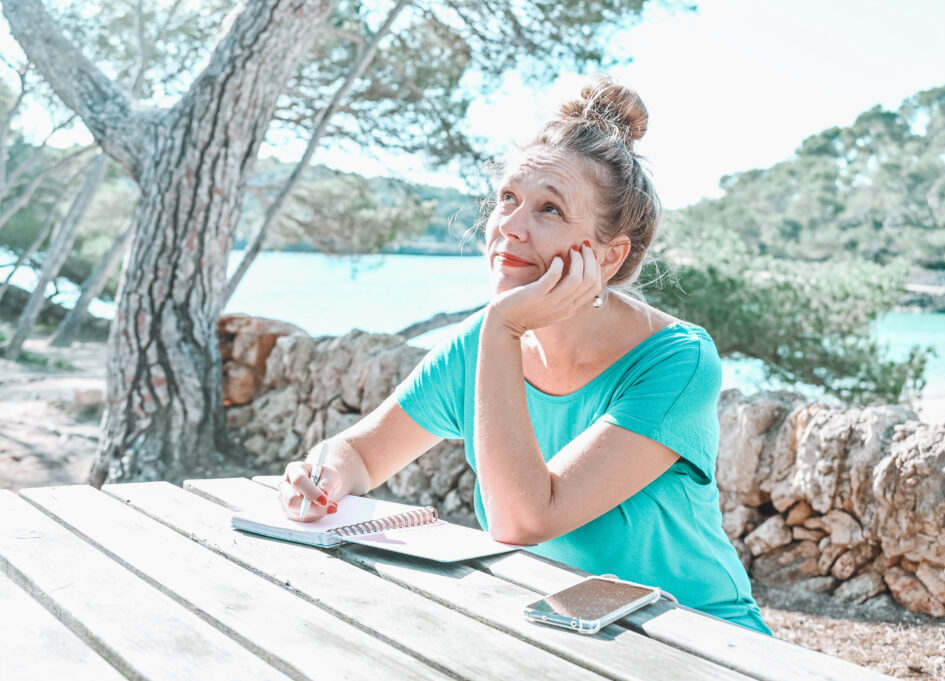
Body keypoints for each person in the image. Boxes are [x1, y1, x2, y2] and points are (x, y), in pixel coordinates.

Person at [278, 77, 771, 635]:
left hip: (702, 639)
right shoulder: (484, 341)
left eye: (550, 210)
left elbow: (526, 518)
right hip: (560, 629)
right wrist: (320, 476)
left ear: (609, 257)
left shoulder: (675, 362)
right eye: (508, 198)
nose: (509, 227)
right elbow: (360, 455)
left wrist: (503, 328)